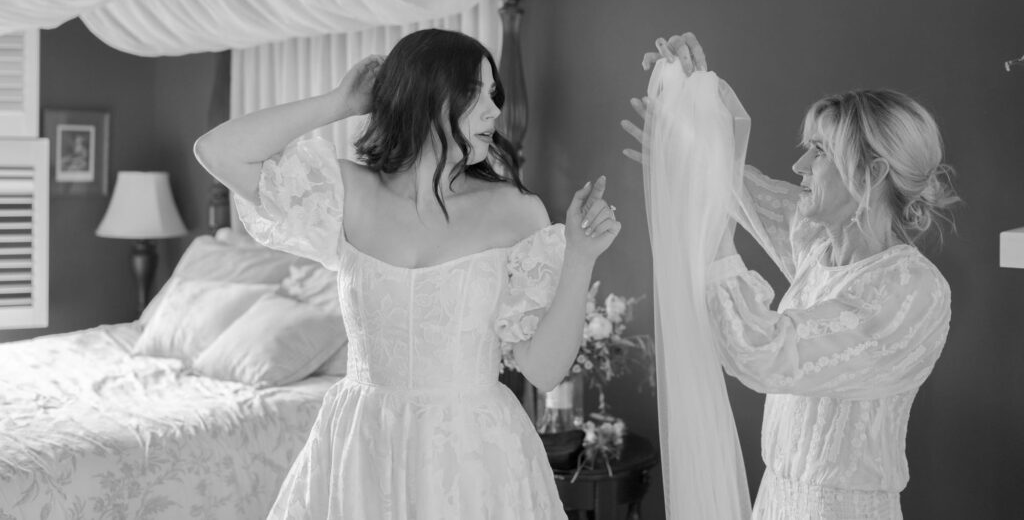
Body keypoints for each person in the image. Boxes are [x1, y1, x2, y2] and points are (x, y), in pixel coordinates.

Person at [195, 28, 620, 519]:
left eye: (494, 94)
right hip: (360, 446)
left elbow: (544, 370)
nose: (494, 111)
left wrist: (581, 257)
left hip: (473, 455)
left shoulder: (516, 211)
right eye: (474, 93)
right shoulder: (348, 191)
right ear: (424, 95)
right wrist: (340, 102)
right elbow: (217, 151)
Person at [623, 33, 957, 520]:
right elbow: (732, 182)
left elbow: (765, 355)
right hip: (774, 503)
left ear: (871, 173)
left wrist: (715, 241)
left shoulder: (911, 292)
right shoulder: (817, 245)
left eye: (819, 152)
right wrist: (692, 92)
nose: (799, 165)